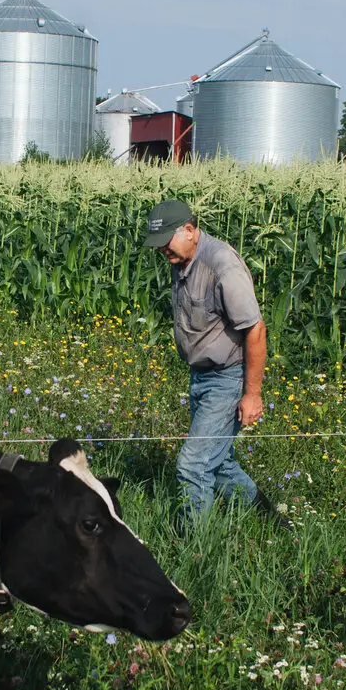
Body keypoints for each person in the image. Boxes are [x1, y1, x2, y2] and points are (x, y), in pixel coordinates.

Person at [143, 198, 270, 523]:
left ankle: (195, 551)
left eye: (166, 243)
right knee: (220, 462)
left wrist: (252, 394)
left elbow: (255, 330)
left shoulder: (221, 265)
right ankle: (268, 519)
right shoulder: (181, 259)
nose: (163, 252)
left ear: (189, 230)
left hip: (226, 378)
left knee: (193, 464)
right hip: (200, 376)